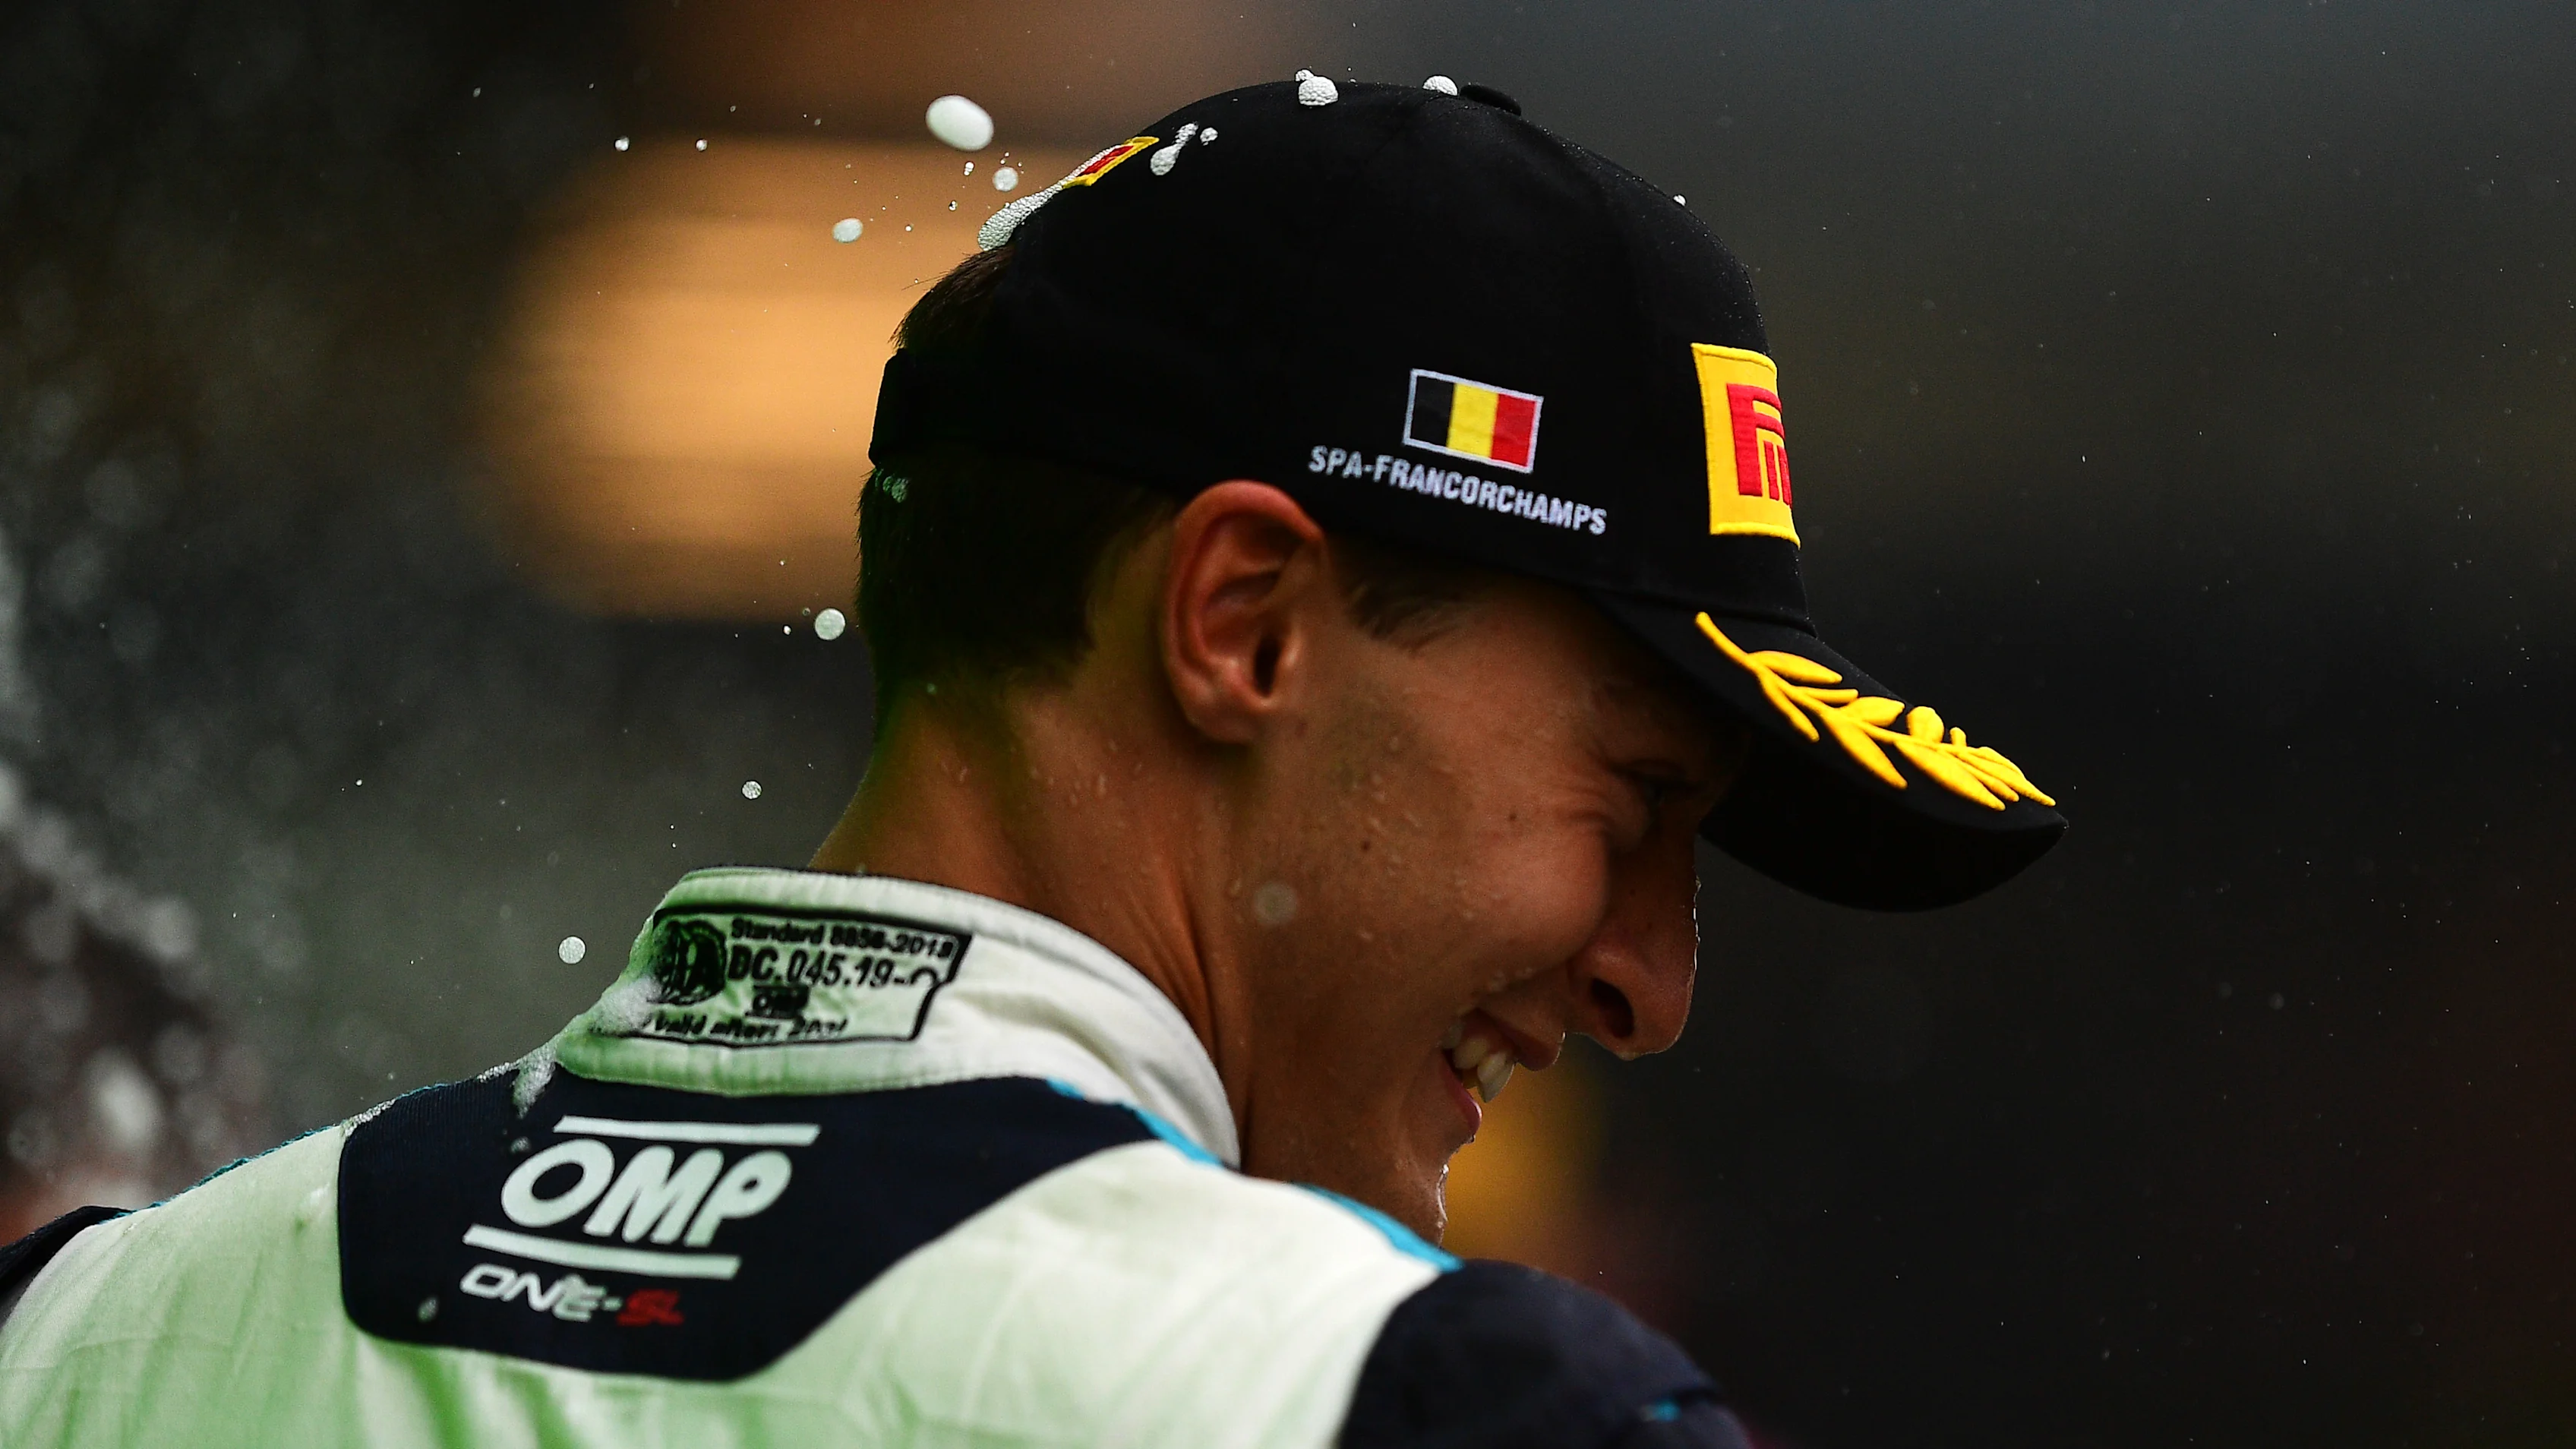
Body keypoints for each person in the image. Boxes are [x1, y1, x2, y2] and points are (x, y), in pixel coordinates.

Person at [0, 77, 2063, 1446]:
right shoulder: (1407, 1401)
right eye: (1634, 804)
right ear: (1240, 619)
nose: (1655, 975)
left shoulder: (94, 1338)